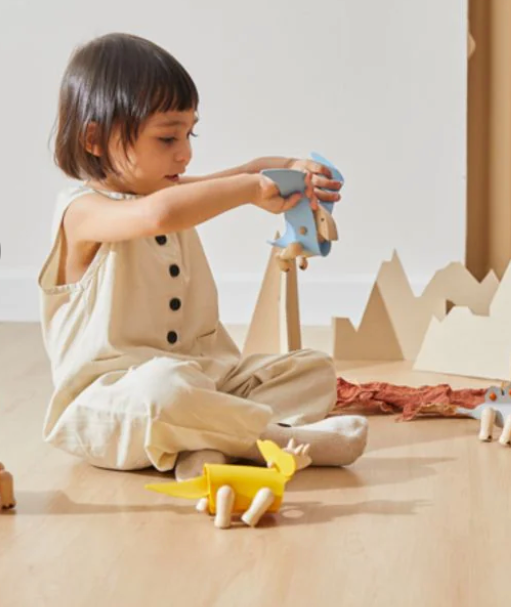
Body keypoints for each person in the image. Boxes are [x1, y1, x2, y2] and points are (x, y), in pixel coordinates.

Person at [38, 32, 368, 480]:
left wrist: (287, 169)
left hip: (206, 378)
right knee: (166, 391)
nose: (186, 153)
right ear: (94, 139)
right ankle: (278, 441)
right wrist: (251, 189)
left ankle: (206, 444)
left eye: (189, 133)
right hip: (113, 402)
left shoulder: (164, 191)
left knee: (313, 370)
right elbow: (159, 215)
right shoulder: (82, 213)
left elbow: (238, 175)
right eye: (167, 138)